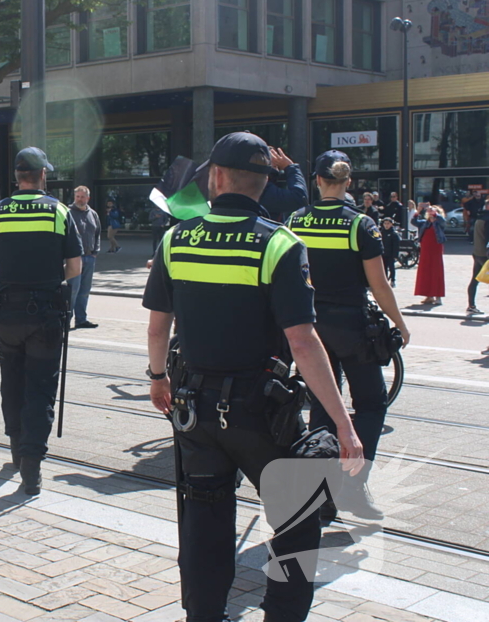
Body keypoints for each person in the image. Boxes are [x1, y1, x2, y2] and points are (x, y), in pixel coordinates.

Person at [144, 133, 364, 622]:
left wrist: (158, 378)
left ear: (218, 177)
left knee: (205, 519)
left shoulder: (176, 239)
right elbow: (303, 342)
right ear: (264, 183)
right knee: (297, 519)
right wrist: (343, 423)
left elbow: (158, 327)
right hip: (262, 413)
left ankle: (204, 614)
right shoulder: (280, 243)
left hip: (195, 409)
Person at [287, 151, 410, 520]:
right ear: (348, 182)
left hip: (310, 326)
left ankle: (321, 497)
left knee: (323, 406)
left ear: (317, 180)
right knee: (371, 404)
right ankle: (354, 487)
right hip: (353, 328)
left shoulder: (296, 220)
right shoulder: (361, 225)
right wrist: (400, 323)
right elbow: (380, 285)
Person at [0, 147, 83, 495]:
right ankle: (31, 467)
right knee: (40, 389)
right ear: (42, 175)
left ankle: (16, 451)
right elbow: (75, 266)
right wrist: (49, 280)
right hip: (47, 316)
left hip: (7, 314)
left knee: (12, 384)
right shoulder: (59, 211)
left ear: (17, 177)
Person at [67, 185, 100, 330]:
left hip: (89, 257)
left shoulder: (93, 214)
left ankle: (81, 319)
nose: (80, 199)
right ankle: (66, 319)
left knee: (85, 290)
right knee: (72, 290)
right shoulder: (68, 213)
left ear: (88, 198)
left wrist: (95, 251)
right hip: (74, 258)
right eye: (77, 197)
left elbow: (97, 233)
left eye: (82, 197)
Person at [258, 146, 307, 221]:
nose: (278, 171)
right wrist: (291, 167)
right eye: (275, 165)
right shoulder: (262, 188)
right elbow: (299, 198)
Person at [413, 203, 447, 305]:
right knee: (426, 271)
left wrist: (435, 213)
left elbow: (443, 221)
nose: (430, 213)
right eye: (429, 211)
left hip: (435, 248)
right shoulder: (425, 223)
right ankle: (429, 296)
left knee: (436, 271)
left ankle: (438, 296)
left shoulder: (439, 222)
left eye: (433, 211)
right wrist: (418, 211)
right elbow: (413, 221)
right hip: (425, 249)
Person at [468, 199, 489, 315]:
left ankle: (471, 305)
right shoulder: (488, 219)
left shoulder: (480, 217)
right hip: (486, 255)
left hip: (477, 253)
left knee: (475, 280)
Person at [381, 218, 400, 288]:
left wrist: (395, 255)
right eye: (385, 223)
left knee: (391, 268)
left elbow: (396, 246)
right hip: (383, 254)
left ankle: (393, 280)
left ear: (391, 224)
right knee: (384, 268)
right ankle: (385, 280)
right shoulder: (381, 233)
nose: (386, 225)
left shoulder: (394, 234)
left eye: (388, 223)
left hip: (390, 254)